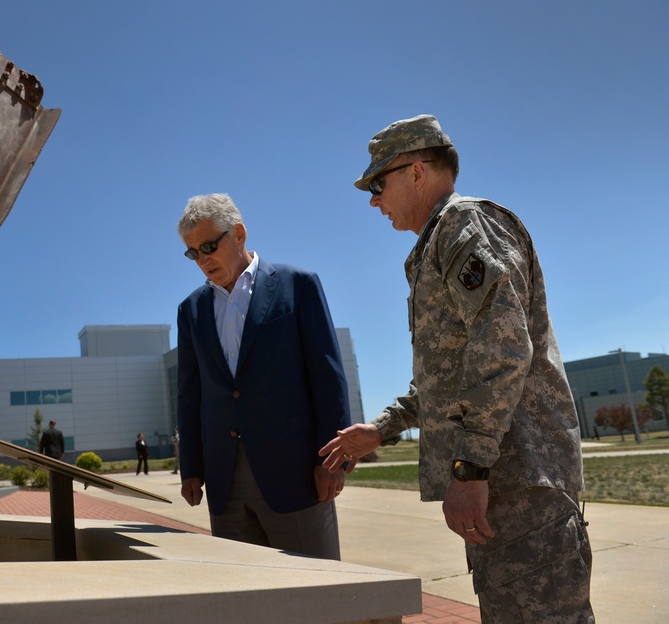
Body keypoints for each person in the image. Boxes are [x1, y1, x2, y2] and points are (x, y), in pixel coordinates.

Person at [320, 115, 593, 621]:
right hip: (504, 485)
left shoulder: (465, 225)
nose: (373, 200)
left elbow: (504, 350)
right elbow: (451, 379)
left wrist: (470, 469)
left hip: (519, 483)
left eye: (378, 184)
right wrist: (382, 429)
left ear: (417, 172)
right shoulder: (436, 243)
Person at [176, 193, 352, 560]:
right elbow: (190, 394)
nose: (203, 259)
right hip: (225, 480)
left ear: (238, 233)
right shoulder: (190, 310)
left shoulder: (298, 285)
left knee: (315, 595)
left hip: (295, 475)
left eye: (209, 245)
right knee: (245, 600)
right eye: (193, 252)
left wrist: (334, 462)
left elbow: (328, 377)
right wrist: (191, 468)